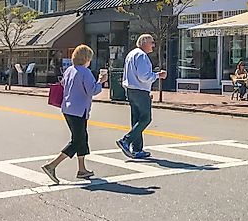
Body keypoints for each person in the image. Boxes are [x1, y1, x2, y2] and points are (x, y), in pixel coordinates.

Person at [41, 45, 106, 184]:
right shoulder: (86, 72)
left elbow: (64, 85)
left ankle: (82, 169)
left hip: (68, 108)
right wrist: (101, 81)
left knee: (81, 137)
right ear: (86, 58)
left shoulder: (69, 70)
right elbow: (92, 91)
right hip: (79, 110)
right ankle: (52, 165)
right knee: (77, 141)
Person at [116, 34, 167, 160]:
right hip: (140, 90)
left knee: (136, 120)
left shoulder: (132, 54)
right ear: (144, 42)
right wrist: (158, 75)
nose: (153, 45)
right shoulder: (142, 56)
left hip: (131, 89)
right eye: (151, 42)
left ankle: (137, 149)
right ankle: (126, 141)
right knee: (146, 118)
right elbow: (144, 76)